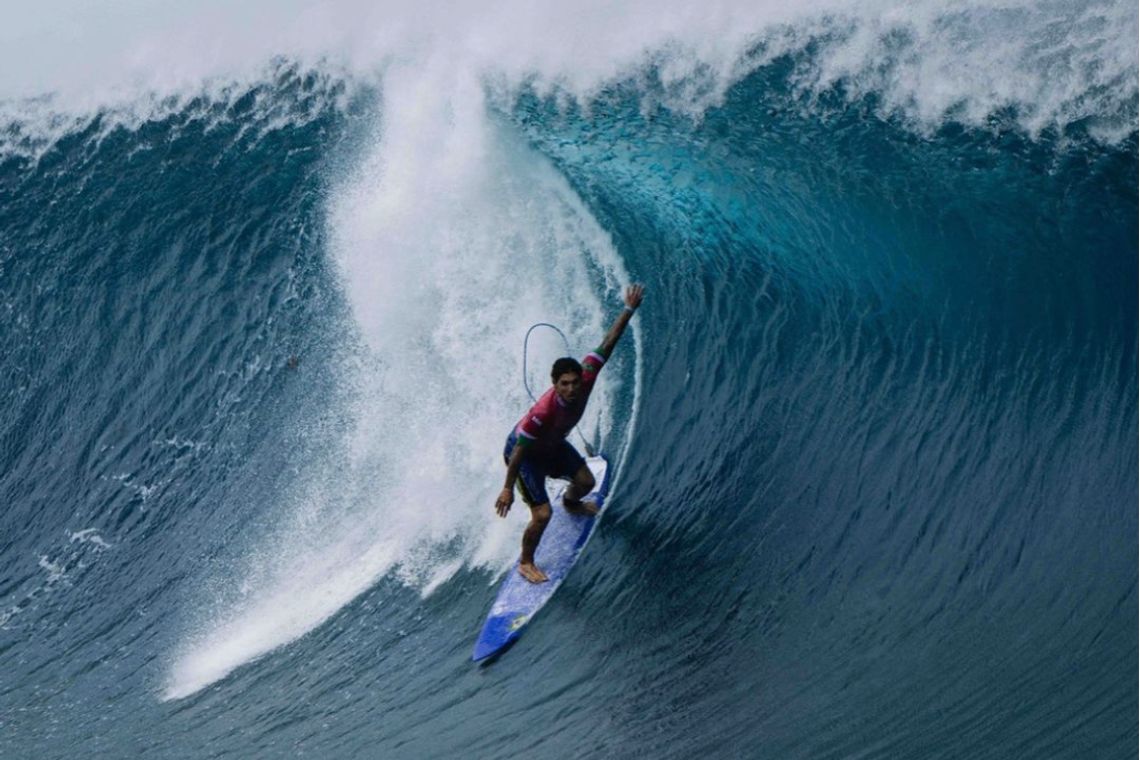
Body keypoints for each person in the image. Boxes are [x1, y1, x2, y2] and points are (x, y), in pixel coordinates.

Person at [496, 284, 644, 583]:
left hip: (553, 447)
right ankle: (526, 562)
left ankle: (571, 503)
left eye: (575, 382)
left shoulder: (588, 374)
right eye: (564, 384)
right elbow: (519, 452)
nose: (572, 388)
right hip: (524, 456)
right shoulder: (541, 413)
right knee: (542, 516)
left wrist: (628, 309)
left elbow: (609, 341)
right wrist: (508, 488)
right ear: (554, 383)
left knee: (586, 482)